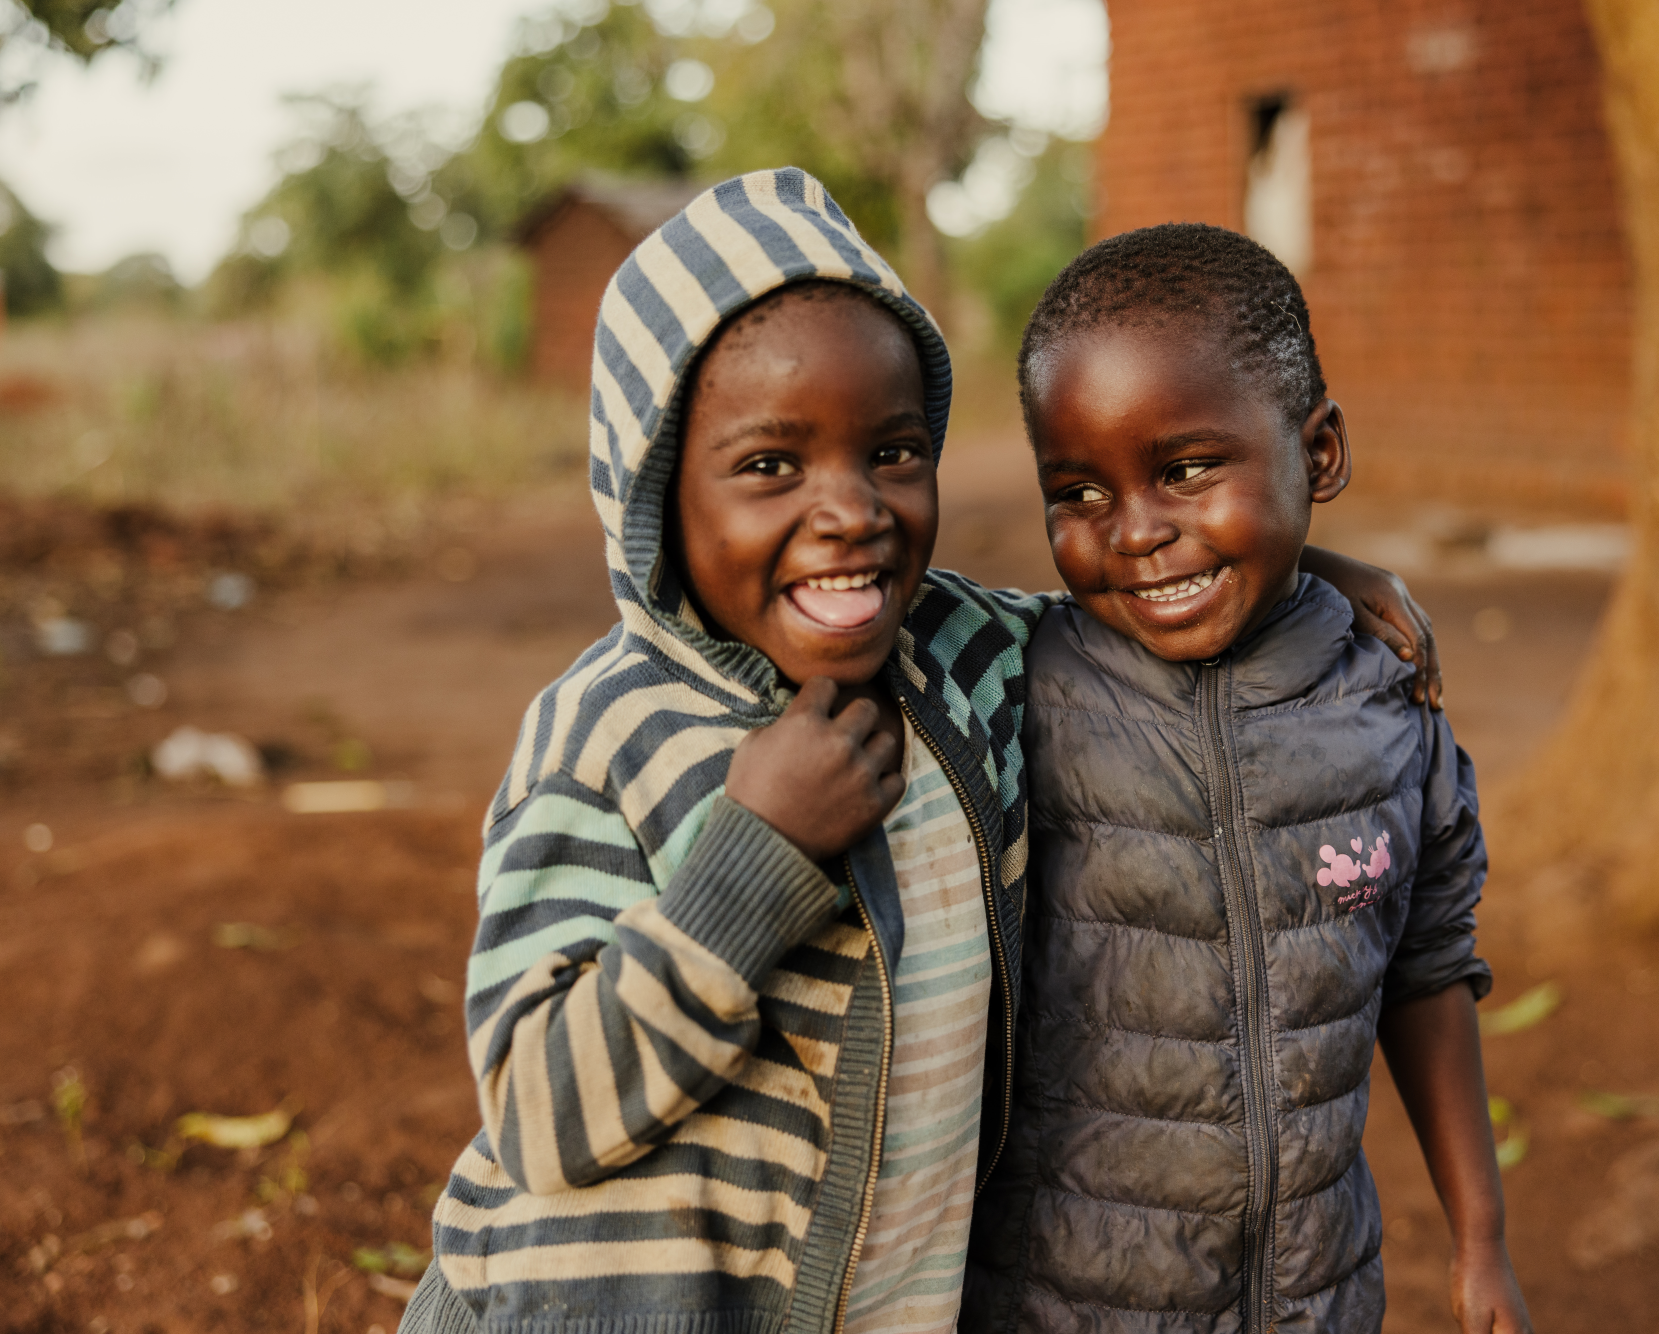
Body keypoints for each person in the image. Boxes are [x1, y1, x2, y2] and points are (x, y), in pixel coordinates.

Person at [399, 171, 1439, 1334]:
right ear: (650, 490)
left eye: (892, 452)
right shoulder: (607, 734)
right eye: (768, 466)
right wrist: (752, 857)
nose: (851, 510)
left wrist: (1297, 578)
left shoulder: (956, 651)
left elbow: (1136, 593)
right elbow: (543, 1112)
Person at [962, 224, 1533, 1334]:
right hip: (1057, 1302)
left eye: (1182, 471)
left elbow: (1427, 971)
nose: (1133, 532)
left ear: (1318, 454)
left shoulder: (1388, 707)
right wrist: (1286, 546)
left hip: (1314, 1296)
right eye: (1076, 491)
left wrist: (1480, 1237)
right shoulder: (1016, 685)